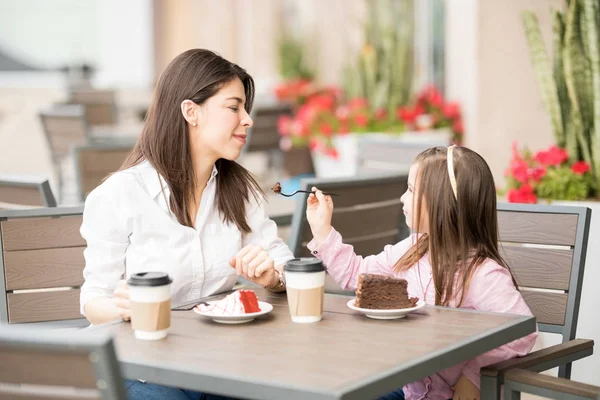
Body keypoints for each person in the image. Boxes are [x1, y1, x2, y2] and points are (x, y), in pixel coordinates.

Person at [79, 49, 293, 399]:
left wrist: (274, 277)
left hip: (215, 364)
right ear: (191, 112)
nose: (248, 119)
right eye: (233, 107)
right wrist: (124, 307)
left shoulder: (240, 189)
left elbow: (282, 262)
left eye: (245, 108)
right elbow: (92, 300)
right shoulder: (120, 195)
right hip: (138, 368)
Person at [305, 145, 538, 400]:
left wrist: (474, 376)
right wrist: (322, 231)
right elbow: (357, 275)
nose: (402, 198)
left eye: (412, 190)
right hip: (411, 391)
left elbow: (523, 331)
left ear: (443, 202)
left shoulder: (483, 275)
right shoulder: (412, 250)